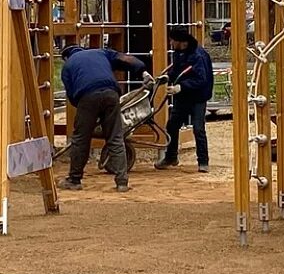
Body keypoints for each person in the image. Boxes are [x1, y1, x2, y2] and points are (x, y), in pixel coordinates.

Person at [59, 44, 146, 192]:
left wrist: (89, 113)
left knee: (81, 139)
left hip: (87, 97)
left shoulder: (68, 66)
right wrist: (142, 71)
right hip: (111, 94)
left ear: (66, 56)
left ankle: (74, 179)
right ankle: (122, 182)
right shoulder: (101, 53)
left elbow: (72, 97)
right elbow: (128, 60)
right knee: (115, 137)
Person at [156, 28, 215, 172]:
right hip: (182, 97)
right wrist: (168, 77)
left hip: (197, 98)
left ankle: (203, 162)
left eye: (172, 40)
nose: (170, 43)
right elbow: (177, 70)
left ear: (181, 42)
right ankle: (171, 157)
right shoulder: (179, 53)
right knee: (172, 126)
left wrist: (181, 87)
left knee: (198, 128)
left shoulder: (198, 56)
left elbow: (201, 79)